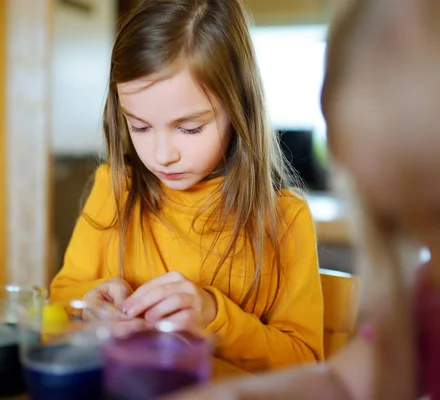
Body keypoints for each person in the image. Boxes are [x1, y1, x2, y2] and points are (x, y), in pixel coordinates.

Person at [166, 0, 440, 398]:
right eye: (411, 228)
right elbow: (344, 382)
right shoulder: (425, 298)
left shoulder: (287, 217)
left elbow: (302, 355)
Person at [49, 0, 324, 376]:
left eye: (189, 128)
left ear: (238, 108)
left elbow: (305, 363)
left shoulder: (286, 220)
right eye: (140, 126)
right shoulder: (114, 188)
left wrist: (212, 314)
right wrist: (89, 304)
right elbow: (63, 293)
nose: (162, 155)